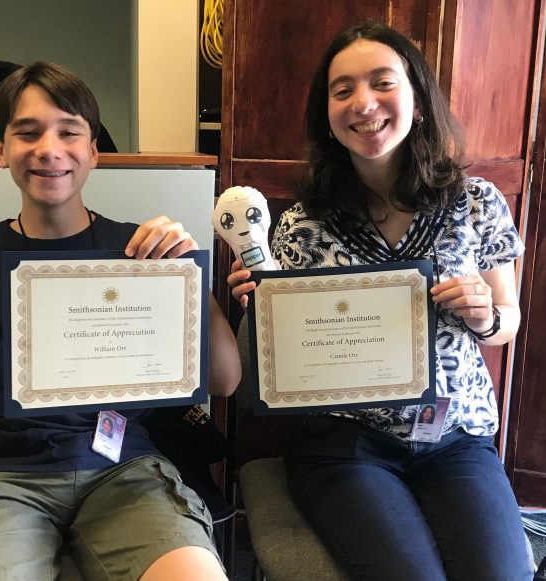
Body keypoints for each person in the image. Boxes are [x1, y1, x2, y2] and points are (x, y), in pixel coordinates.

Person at [0, 62, 241, 581]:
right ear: (0, 151)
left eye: (69, 131)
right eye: (27, 132)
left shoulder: (141, 250)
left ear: (93, 151)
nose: (49, 148)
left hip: (126, 470)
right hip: (1, 477)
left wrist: (188, 279)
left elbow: (225, 381)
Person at [228, 21, 533, 580]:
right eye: (342, 90)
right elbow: (283, 365)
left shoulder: (477, 201)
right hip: (346, 446)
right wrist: (264, 316)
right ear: (328, 115)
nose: (363, 102)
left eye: (382, 82)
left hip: (455, 437)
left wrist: (486, 315)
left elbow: (508, 322)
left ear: (416, 99)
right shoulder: (302, 225)